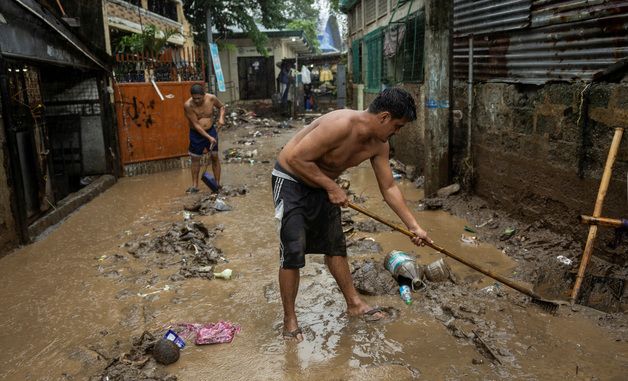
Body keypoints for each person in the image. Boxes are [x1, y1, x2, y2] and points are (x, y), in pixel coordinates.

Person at [271, 87, 431, 341]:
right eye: (397, 126)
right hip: (291, 179)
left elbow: (388, 186)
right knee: (292, 249)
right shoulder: (340, 124)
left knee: (335, 245)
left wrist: (413, 226)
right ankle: (289, 319)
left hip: (323, 184)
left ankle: (354, 303)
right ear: (384, 117)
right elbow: (295, 158)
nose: (396, 132)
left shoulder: (379, 145)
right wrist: (332, 186)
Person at [184, 83, 225, 193]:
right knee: (195, 159)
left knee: (215, 156)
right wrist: (209, 137)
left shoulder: (211, 98)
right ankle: (195, 185)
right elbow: (196, 125)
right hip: (196, 134)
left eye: (199, 98)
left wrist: (221, 118)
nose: (197, 101)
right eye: (194, 98)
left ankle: (217, 184)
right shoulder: (188, 105)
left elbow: (222, 107)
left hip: (211, 130)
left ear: (204, 95)